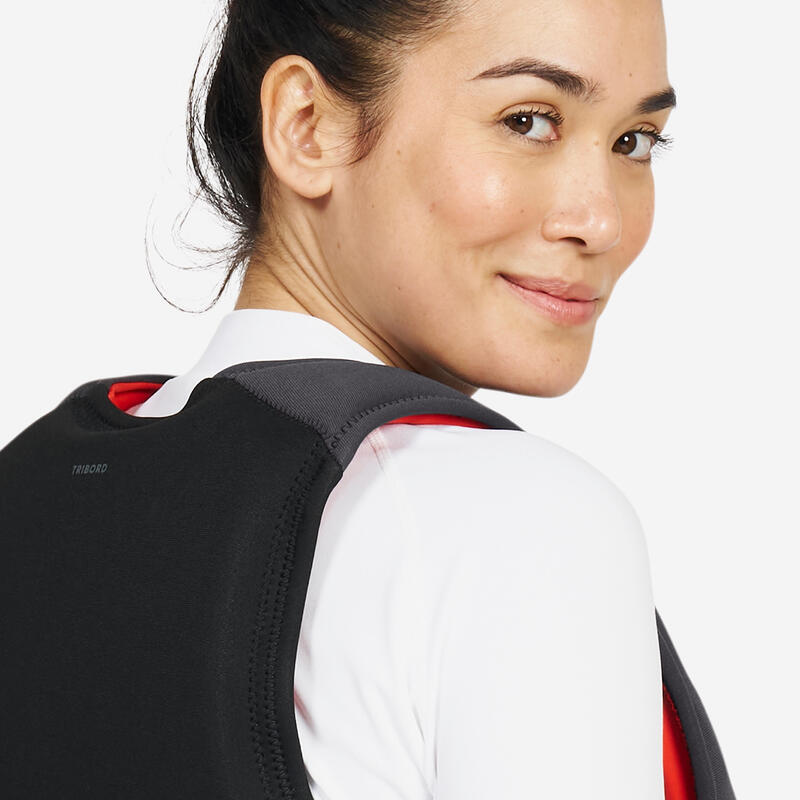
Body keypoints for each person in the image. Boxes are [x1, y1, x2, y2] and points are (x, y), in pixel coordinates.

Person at [130, 0, 684, 796]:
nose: (602, 221)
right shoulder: (518, 518)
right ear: (307, 125)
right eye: (529, 121)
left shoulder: (34, 489)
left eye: (635, 141)